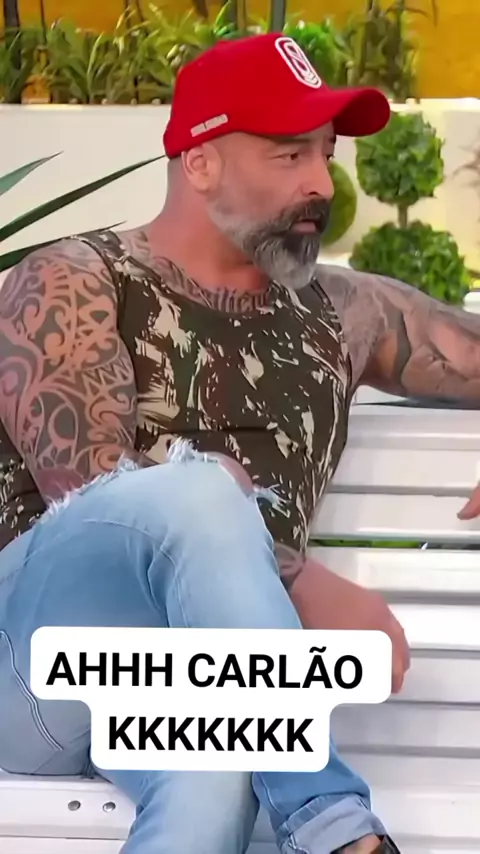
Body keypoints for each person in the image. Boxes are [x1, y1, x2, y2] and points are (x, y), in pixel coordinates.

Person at [0, 31, 478, 854]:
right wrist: (294, 579)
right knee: (197, 487)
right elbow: (92, 491)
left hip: (209, 690)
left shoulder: (344, 312)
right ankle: (333, 823)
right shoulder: (71, 280)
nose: (320, 183)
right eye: (289, 155)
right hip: (41, 668)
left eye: (326, 154)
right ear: (200, 163)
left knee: (219, 772)